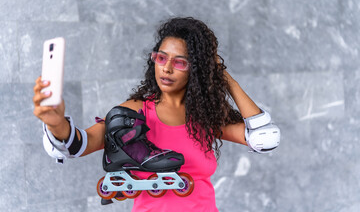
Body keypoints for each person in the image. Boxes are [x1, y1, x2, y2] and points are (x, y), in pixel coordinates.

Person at [33, 17, 280, 212]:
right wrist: (56, 124)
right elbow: (77, 144)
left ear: (197, 68)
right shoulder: (134, 111)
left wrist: (223, 76)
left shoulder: (205, 117)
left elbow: (264, 138)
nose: (167, 68)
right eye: (161, 57)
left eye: (180, 62)